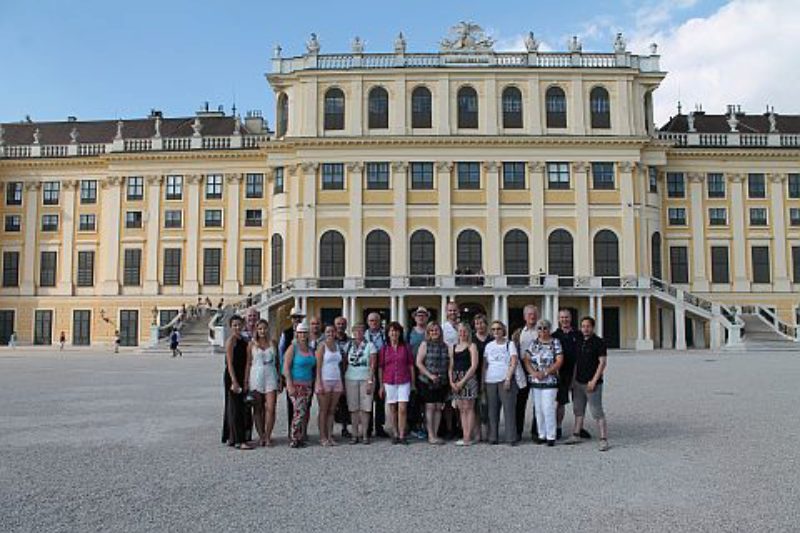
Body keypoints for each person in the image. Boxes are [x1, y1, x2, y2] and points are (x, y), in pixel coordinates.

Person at [565, 317, 610, 452]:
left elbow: (602, 363)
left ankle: (603, 439)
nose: (585, 329)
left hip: (593, 383)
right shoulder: (578, 341)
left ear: (593, 327)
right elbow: (576, 363)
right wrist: (573, 381)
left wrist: (594, 380)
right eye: (583, 326)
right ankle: (576, 434)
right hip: (578, 381)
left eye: (588, 326)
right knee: (578, 410)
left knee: (596, 411)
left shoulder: (599, 342)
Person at [522, 319, 563, 447]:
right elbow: (526, 359)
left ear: (549, 329)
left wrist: (546, 372)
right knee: (538, 409)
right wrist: (533, 373)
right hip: (536, 380)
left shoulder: (555, 342)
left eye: (545, 328)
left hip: (550, 380)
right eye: (540, 328)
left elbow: (559, 360)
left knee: (548, 407)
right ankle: (542, 434)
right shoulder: (534, 343)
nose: (542, 330)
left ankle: (551, 435)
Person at [378, 322, 415, 445]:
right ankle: (394, 433)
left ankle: (402, 434)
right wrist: (381, 385)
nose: (394, 333)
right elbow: (381, 368)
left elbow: (410, 365)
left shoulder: (406, 348)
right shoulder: (384, 349)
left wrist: (413, 383)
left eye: (396, 331)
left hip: (404, 380)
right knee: (392, 409)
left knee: (403, 408)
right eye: (391, 331)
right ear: (388, 333)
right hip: (389, 381)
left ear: (400, 333)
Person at [483, 320, 519, 445]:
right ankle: (493, 436)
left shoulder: (510, 344)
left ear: (503, 330)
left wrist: (508, 378)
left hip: (505, 379)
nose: (496, 331)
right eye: (493, 329)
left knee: (509, 410)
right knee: (492, 410)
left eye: (498, 329)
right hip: (490, 380)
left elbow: (514, 362)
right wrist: (483, 380)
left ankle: (511, 437)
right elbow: (486, 364)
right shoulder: (489, 346)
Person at [415, 322, 449, 445]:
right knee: (430, 407)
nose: (434, 332)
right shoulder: (425, 344)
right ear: (428, 332)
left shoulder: (444, 345)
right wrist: (430, 376)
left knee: (439, 407)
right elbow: (419, 363)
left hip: (442, 381)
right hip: (427, 380)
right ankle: (430, 435)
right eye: (432, 330)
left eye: (436, 330)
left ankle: (436, 433)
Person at [247, 319, 280, 447]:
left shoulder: (273, 343)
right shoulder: (252, 344)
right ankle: (261, 435)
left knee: (271, 408)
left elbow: (277, 361)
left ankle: (268, 435)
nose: (262, 331)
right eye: (260, 329)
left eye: (264, 328)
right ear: (256, 330)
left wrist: (280, 378)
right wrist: (246, 381)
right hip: (256, 375)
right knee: (258, 408)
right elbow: (249, 363)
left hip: (271, 374)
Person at [283, 322, 316, 448]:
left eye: (305, 332)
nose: (303, 335)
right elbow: (286, 367)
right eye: (300, 332)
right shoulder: (293, 347)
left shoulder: (310, 349)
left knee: (304, 411)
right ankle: (294, 438)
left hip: (308, 384)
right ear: (297, 334)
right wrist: (289, 384)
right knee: (299, 412)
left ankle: (300, 436)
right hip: (296, 384)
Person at [223, 315, 252, 450]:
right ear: (231, 327)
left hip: (241, 375)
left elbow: (247, 362)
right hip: (232, 375)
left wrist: (245, 380)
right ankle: (239, 440)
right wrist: (234, 381)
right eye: (234, 325)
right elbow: (229, 363)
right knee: (235, 408)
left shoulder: (244, 340)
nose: (237, 327)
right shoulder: (231, 341)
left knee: (238, 407)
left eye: (239, 325)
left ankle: (231, 437)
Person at [345, 323, 377, 444]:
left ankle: (364, 434)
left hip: (365, 378)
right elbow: (344, 362)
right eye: (355, 331)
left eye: (361, 330)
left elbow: (373, 364)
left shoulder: (370, 345)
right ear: (352, 332)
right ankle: (354, 434)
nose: (358, 333)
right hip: (350, 378)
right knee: (353, 408)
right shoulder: (349, 345)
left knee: (365, 407)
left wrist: (370, 380)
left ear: (364, 332)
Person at [449, 322, 479, 446]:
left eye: (465, 331)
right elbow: (450, 365)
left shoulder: (472, 346)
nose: (462, 333)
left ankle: (468, 437)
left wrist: (463, 381)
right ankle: (464, 434)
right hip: (456, 378)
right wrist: (451, 381)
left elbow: (474, 366)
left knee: (469, 407)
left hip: (468, 378)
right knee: (461, 409)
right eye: (460, 331)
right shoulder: (453, 347)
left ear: (468, 332)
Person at [512, 304, 538, 442]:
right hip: (522, 368)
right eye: (529, 314)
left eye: (534, 314)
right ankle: (517, 431)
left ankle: (536, 431)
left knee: (538, 402)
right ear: (524, 317)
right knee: (520, 402)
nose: (532, 316)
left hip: (538, 369)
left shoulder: (542, 331)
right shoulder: (518, 333)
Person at [553, 308, 581, 440]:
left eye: (567, 317)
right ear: (558, 319)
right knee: (560, 402)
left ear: (571, 318)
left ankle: (578, 428)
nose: (564, 320)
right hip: (561, 373)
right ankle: (558, 427)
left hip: (578, 372)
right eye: (562, 317)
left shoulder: (578, 334)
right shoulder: (554, 335)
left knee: (578, 402)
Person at [279, 307, 306, 439]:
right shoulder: (286, 333)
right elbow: (280, 353)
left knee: (303, 405)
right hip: (290, 374)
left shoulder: (306, 333)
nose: (297, 320)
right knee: (292, 404)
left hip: (304, 375)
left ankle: (301, 432)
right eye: (295, 317)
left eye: (299, 317)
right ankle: (292, 433)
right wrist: (282, 376)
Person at [316, 325, 344, 446]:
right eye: (328, 331)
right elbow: (318, 365)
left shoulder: (338, 346)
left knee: (332, 410)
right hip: (325, 380)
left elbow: (340, 364)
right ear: (324, 333)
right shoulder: (322, 346)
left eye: (332, 331)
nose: (330, 333)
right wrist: (318, 382)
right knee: (324, 410)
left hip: (336, 380)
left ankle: (330, 435)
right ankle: (322, 437)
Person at [406, 307, 429, 439]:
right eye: (418, 315)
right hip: (412, 369)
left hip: (428, 369)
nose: (421, 317)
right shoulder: (409, 332)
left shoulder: (430, 331)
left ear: (427, 317)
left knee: (426, 401)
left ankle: (426, 426)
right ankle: (413, 426)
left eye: (423, 315)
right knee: (413, 400)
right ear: (414, 318)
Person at [365, 312, 388, 438]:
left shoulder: (385, 335)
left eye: (376, 320)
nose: (373, 323)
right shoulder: (364, 335)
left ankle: (379, 427)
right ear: (368, 322)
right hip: (367, 370)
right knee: (367, 399)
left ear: (380, 322)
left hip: (382, 369)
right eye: (371, 320)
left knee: (380, 399)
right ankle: (367, 427)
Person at [471, 314, 492, 441]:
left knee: (488, 406)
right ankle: (477, 433)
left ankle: (489, 433)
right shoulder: (471, 340)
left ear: (486, 324)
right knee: (475, 406)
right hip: (474, 375)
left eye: (482, 323)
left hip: (490, 375)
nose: (480, 326)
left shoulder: (491, 339)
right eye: (477, 323)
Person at [333, 316, 352, 439]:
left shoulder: (350, 341)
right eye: (338, 324)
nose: (340, 326)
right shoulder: (329, 340)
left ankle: (345, 427)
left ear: (346, 326)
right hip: (332, 374)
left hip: (347, 374)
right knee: (333, 403)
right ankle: (330, 430)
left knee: (345, 403)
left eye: (342, 324)